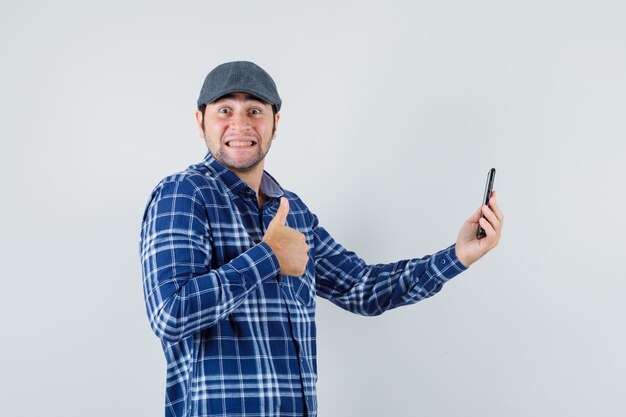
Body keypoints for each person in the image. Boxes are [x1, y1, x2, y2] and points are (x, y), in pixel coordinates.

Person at [139, 61, 504, 417]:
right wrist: (268, 257)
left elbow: (363, 288)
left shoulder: (291, 209)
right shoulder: (184, 193)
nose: (240, 124)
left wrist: (457, 256)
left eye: (254, 110)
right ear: (200, 120)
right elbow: (170, 314)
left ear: (274, 124)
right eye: (224, 110)